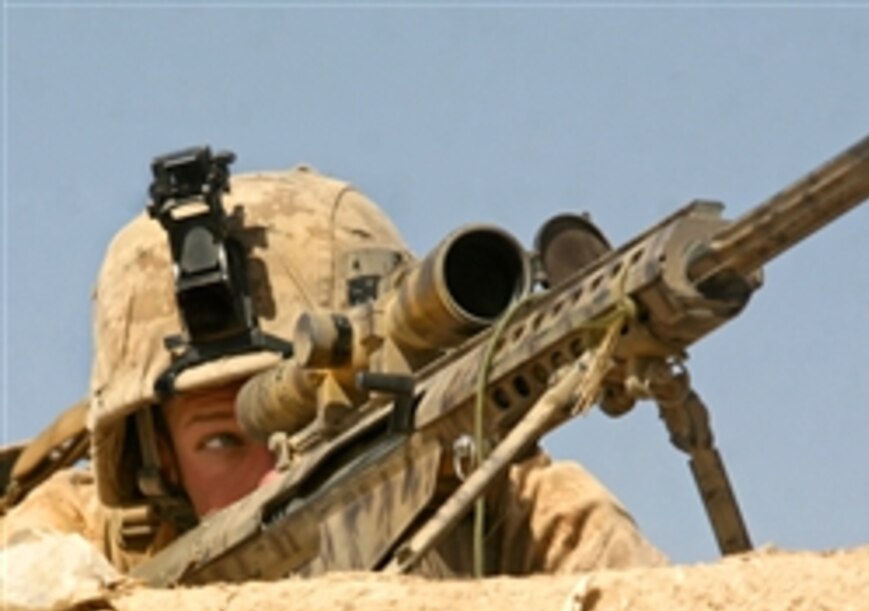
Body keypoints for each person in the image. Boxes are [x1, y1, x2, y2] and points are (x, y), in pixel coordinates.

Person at [0, 157, 666, 577]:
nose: (282, 474)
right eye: (224, 438)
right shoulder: (82, 542)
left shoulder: (509, 507)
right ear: (158, 463)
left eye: (334, 416)